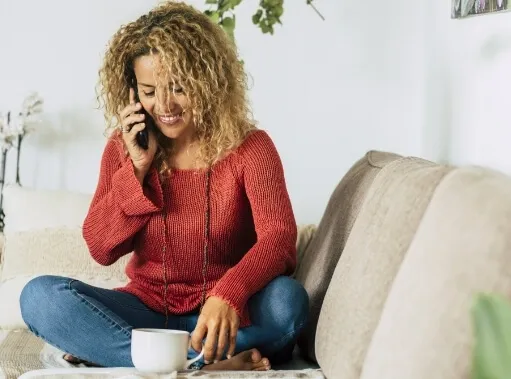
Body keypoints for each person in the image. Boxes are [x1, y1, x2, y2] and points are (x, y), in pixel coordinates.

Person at [19, 0, 309, 371]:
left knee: (289, 301)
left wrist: (228, 293)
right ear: (132, 93)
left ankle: (136, 359)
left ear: (206, 81)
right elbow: (101, 247)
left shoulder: (250, 147)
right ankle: (200, 366)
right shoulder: (123, 149)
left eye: (177, 87)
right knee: (40, 297)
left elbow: (279, 239)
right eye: (149, 91)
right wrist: (138, 168)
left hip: (224, 318)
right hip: (145, 313)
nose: (163, 105)